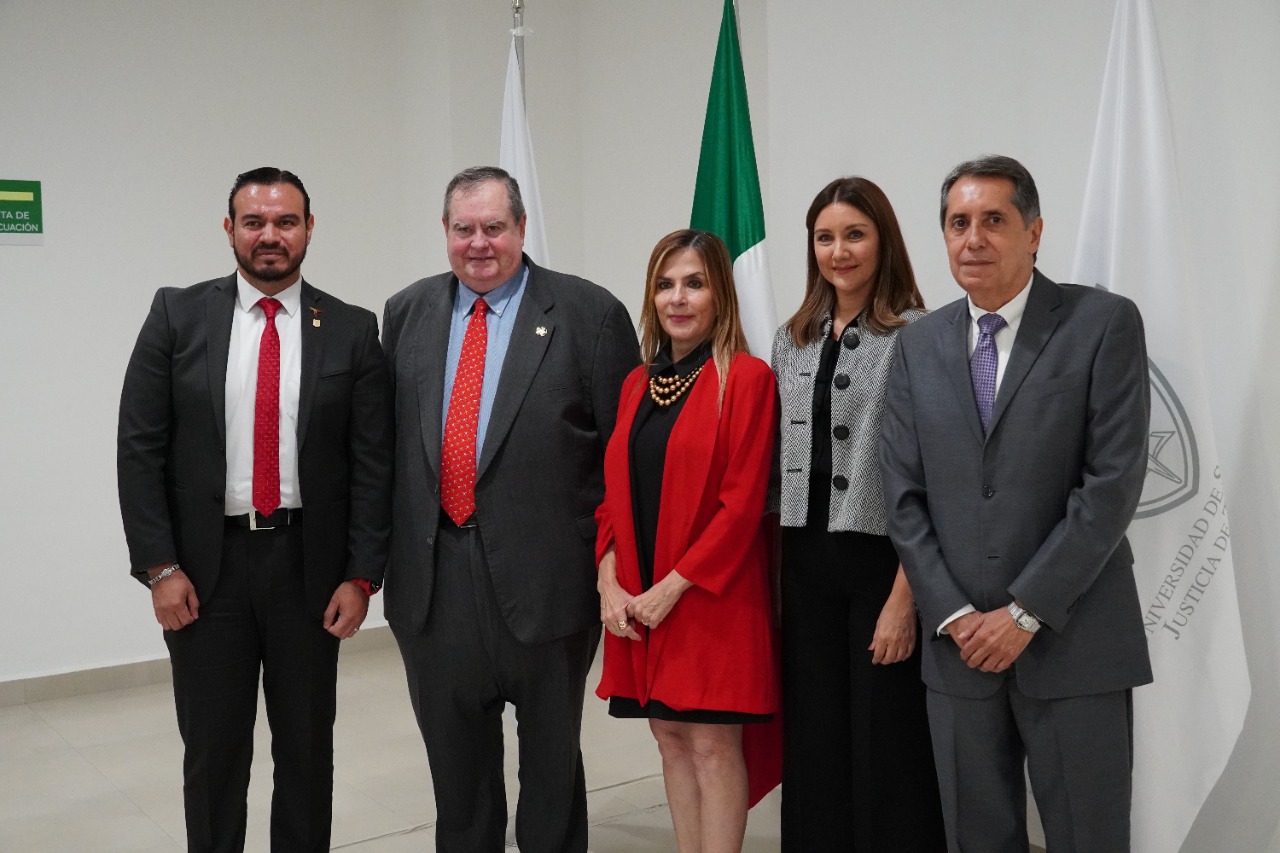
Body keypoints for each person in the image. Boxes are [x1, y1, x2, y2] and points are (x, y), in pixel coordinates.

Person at [880, 155, 1153, 852]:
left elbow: (1111, 483)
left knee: (1089, 837)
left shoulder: (1103, 323)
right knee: (977, 838)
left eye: (993, 220)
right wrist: (956, 614)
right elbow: (903, 496)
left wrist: (1025, 611)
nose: (973, 238)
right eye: (957, 223)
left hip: (1074, 642)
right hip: (959, 650)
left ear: (1034, 232)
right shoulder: (916, 345)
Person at [117, 167, 393, 852]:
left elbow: (372, 463)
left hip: (310, 572)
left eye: (286, 221)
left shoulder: (352, 328)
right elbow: (139, 448)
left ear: (309, 229)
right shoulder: (177, 316)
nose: (270, 235)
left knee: (307, 753)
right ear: (230, 229)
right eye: (255, 221)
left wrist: (362, 576)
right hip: (204, 575)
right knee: (214, 756)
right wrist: (159, 568)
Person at [382, 166, 638, 853]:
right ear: (444, 231)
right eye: (463, 229)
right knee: (457, 774)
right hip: (434, 581)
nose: (479, 244)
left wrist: (614, 568)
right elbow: (386, 448)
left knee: (551, 772)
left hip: (550, 582)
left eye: (494, 227)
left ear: (522, 228)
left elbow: (623, 459)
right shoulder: (405, 313)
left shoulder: (590, 314)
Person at [770, 177, 946, 851]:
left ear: (884, 241)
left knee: (887, 737)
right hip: (804, 557)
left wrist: (906, 596)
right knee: (814, 734)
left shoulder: (921, 335)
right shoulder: (792, 337)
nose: (838, 251)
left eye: (854, 235)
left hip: (883, 560)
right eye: (825, 237)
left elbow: (935, 474)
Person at [595, 229, 780, 853]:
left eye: (694, 283)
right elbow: (612, 496)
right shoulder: (636, 384)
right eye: (665, 284)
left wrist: (670, 589)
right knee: (669, 739)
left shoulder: (747, 379)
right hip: (639, 598)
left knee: (710, 744)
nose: (677, 297)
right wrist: (609, 580)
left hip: (710, 599)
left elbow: (742, 506)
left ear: (720, 294)